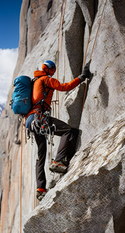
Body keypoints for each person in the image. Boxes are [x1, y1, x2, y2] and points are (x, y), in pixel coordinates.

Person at [25, 60, 90, 201]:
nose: (54, 73)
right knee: (68, 131)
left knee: (41, 153)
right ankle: (59, 161)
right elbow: (64, 87)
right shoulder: (46, 80)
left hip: (31, 121)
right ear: (50, 70)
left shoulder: (34, 82)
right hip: (39, 118)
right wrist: (81, 77)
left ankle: (40, 189)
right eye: (53, 70)